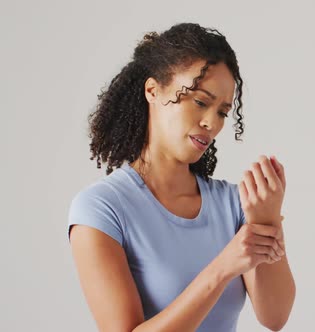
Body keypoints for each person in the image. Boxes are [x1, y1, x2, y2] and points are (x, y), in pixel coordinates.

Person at [66, 23, 296, 332]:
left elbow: (275, 317)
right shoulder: (101, 209)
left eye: (222, 112)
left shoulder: (233, 204)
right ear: (153, 91)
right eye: (201, 102)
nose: (211, 123)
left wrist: (266, 221)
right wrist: (221, 269)